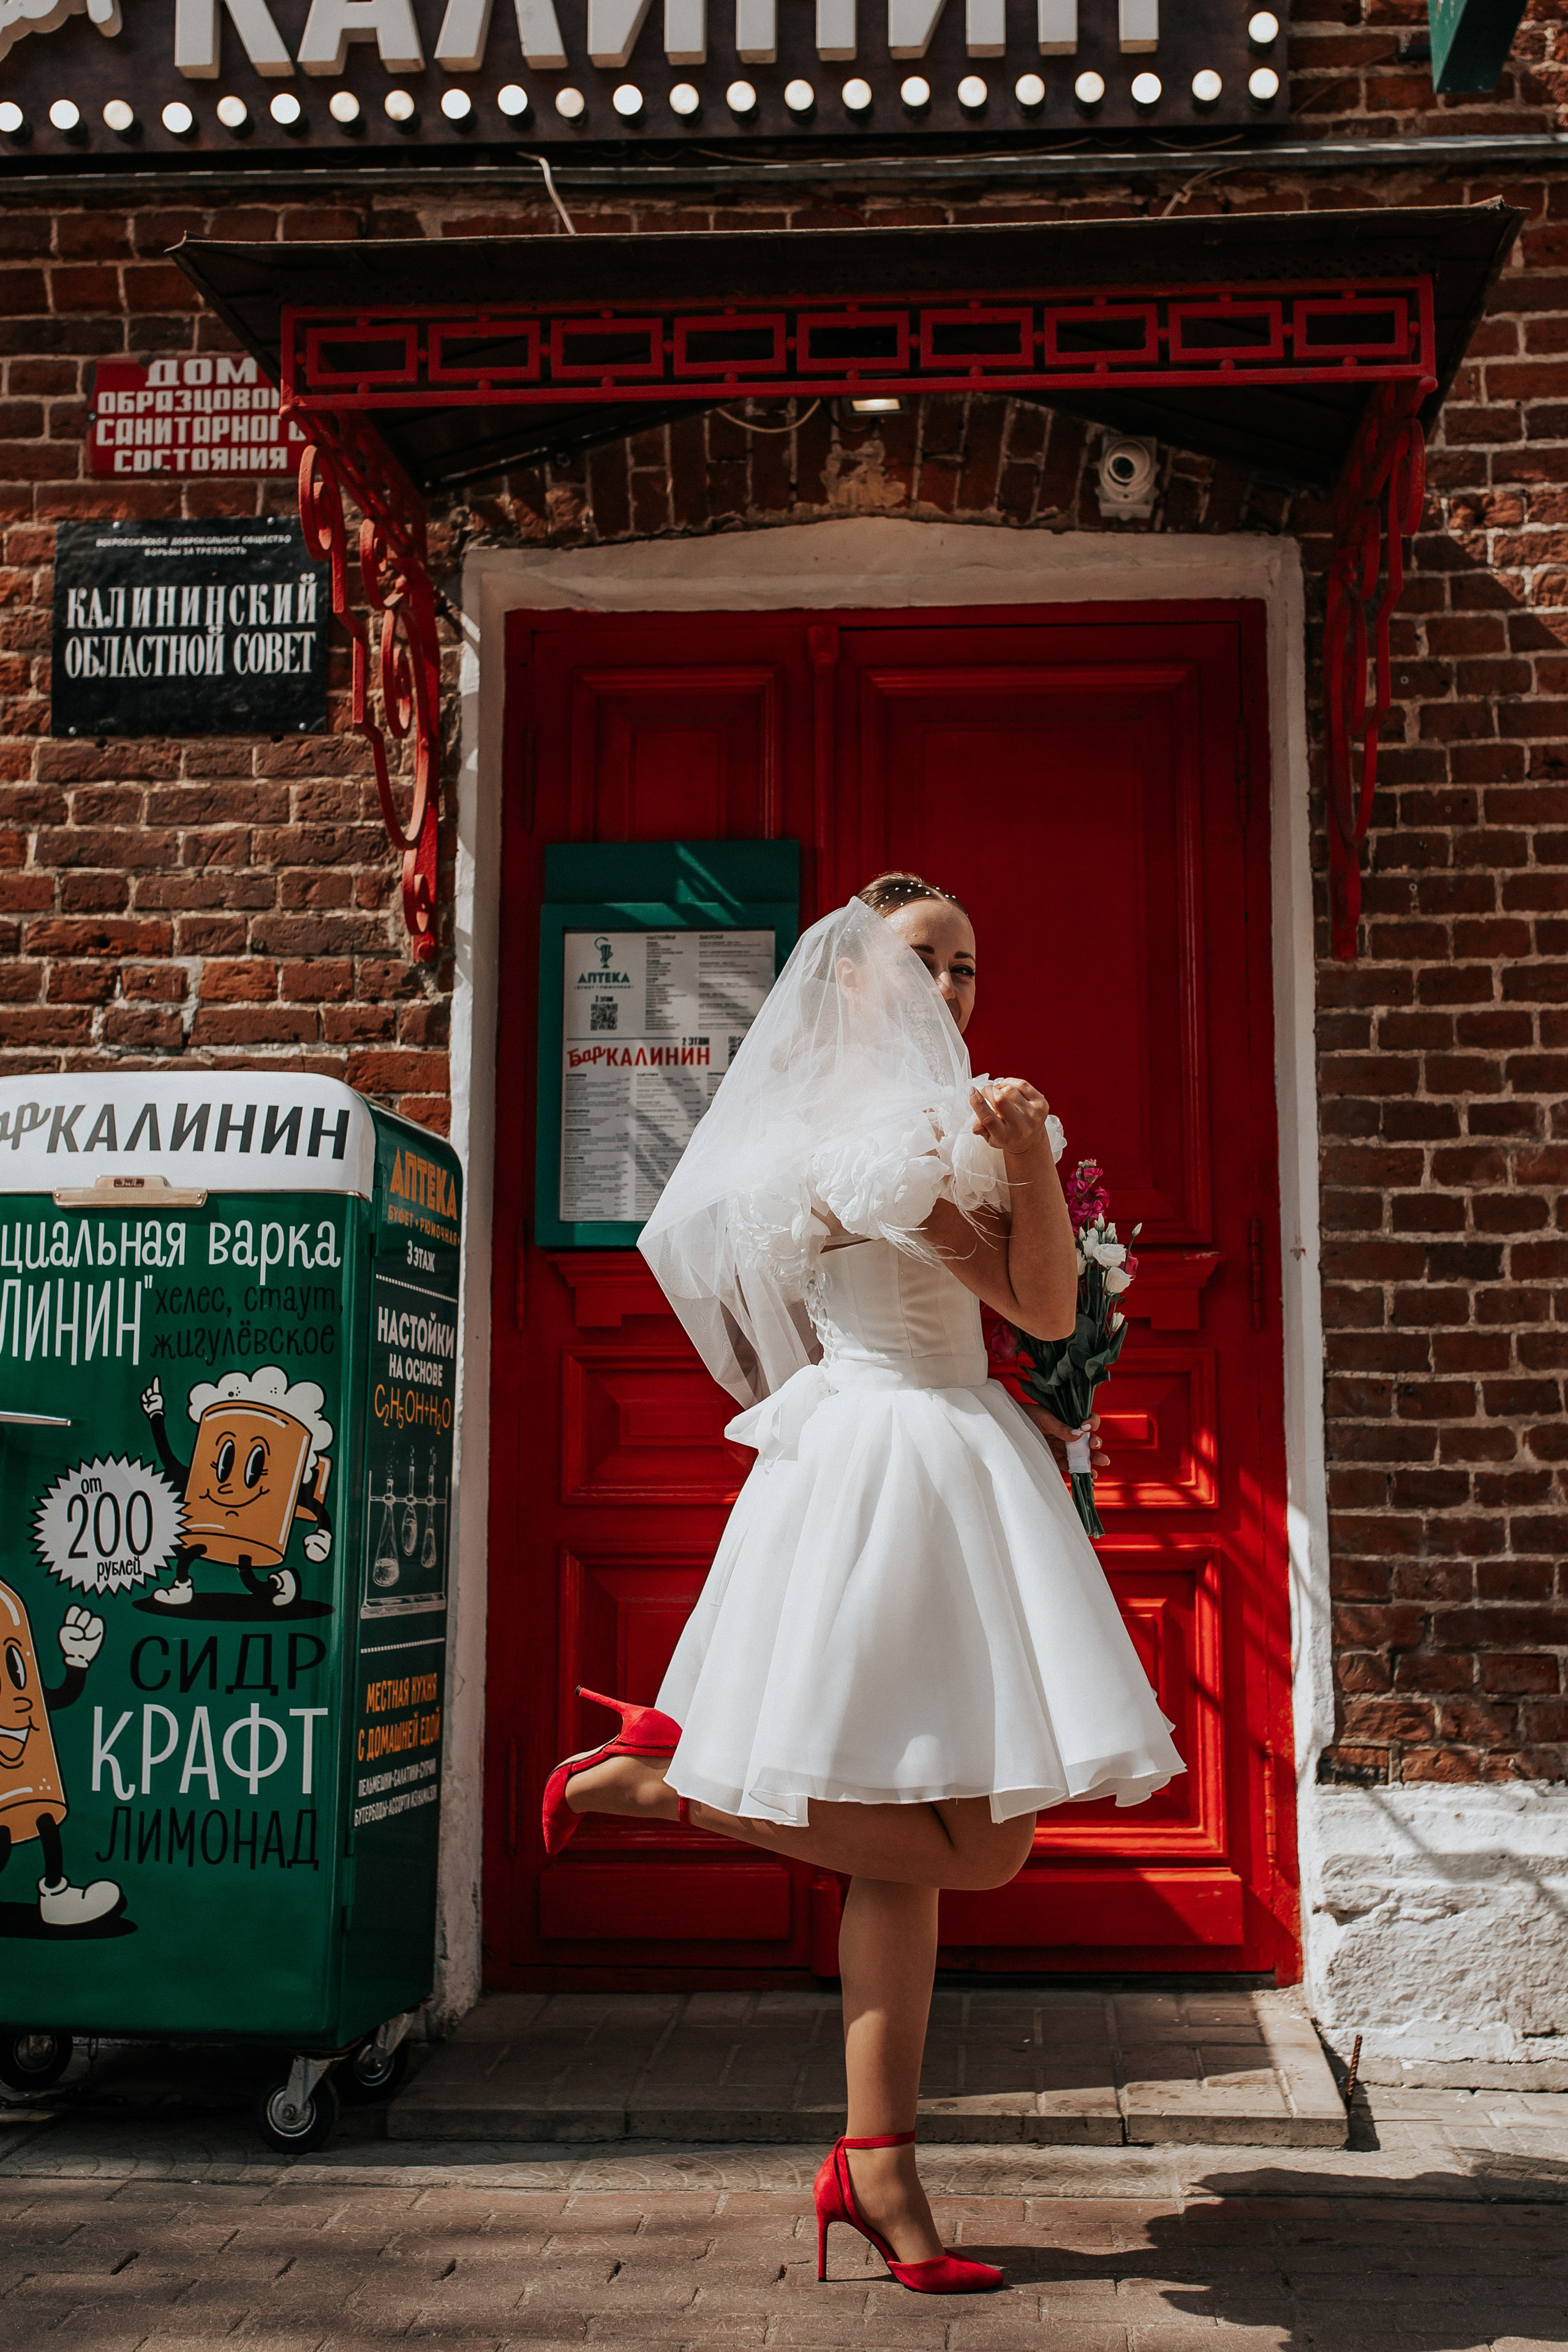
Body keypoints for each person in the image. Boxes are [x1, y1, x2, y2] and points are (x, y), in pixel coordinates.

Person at [543, 873, 1183, 2295]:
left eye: (963, 965)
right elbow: (1035, 1305)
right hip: (894, 1465)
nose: (946, 991)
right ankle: (667, 1785)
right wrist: (1023, 1163)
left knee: (919, 1841)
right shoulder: (868, 1142)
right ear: (849, 984)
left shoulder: (941, 1122)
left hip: (953, 1456)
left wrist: (1017, 1164)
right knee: (983, 1842)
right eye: (918, 966)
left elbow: (1035, 1307)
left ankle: (876, 2164)